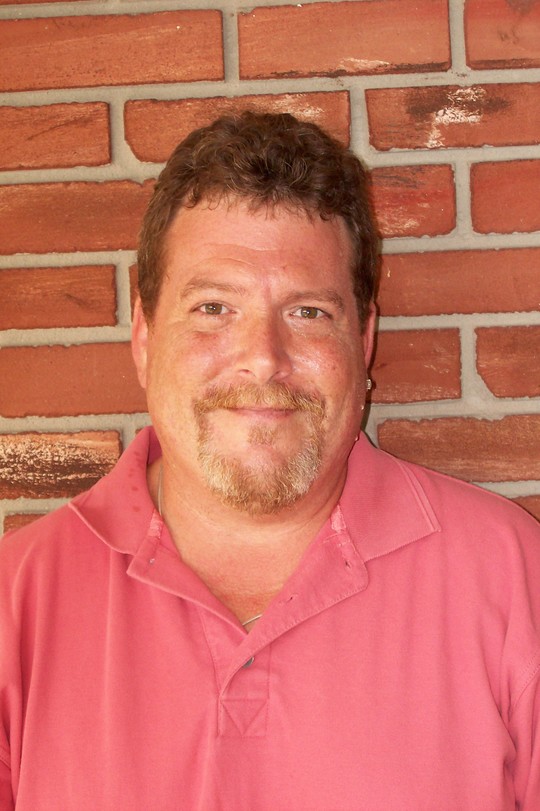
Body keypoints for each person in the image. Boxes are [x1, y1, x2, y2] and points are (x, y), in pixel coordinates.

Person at [1, 111, 539, 811]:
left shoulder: (512, 577)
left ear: (364, 340)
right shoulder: (17, 602)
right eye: (214, 307)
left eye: (308, 312)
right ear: (144, 337)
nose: (262, 357)